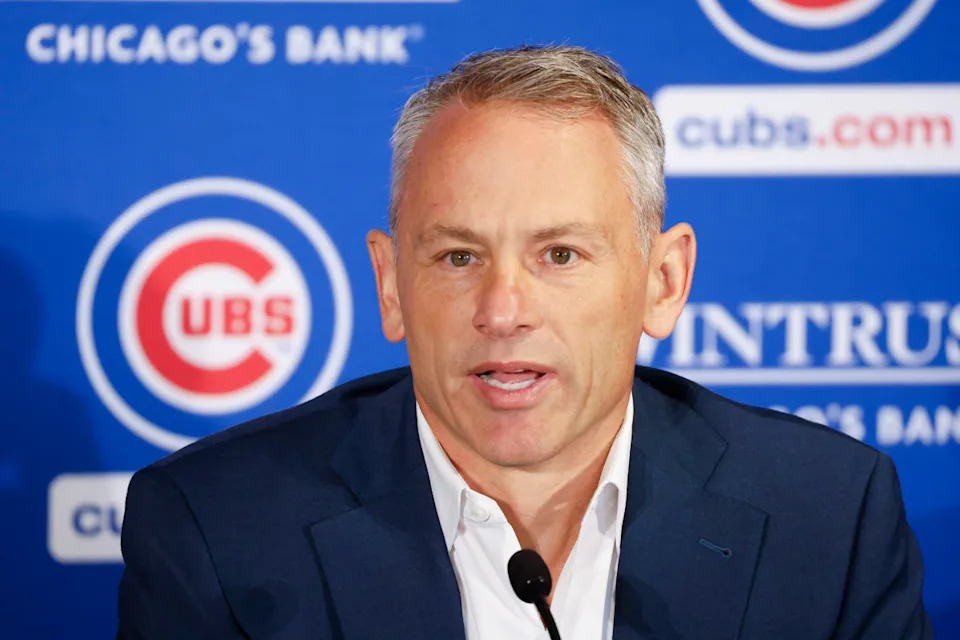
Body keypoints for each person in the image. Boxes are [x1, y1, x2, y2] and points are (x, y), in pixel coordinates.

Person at [117, 45, 931, 639]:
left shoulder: (827, 517)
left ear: (663, 281)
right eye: (459, 256)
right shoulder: (216, 526)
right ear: (392, 284)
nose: (503, 309)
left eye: (561, 255)